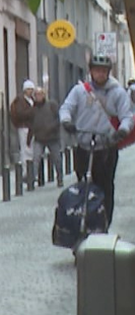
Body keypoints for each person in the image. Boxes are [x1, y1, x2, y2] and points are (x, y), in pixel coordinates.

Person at [60, 56, 135, 227]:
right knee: (83, 186)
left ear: (108, 73)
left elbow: (127, 116)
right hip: (84, 145)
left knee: (105, 187)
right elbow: (67, 107)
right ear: (91, 71)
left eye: (103, 71)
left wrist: (122, 130)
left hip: (106, 146)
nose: (100, 74)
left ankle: (104, 222)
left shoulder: (117, 93)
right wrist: (66, 121)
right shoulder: (80, 91)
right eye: (97, 70)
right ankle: (83, 222)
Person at [29, 86, 62, 187]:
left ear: (44, 95)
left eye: (40, 94)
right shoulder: (33, 109)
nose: (38, 97)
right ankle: (32, 180)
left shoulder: (52, 105)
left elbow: (58, 119)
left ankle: (60, 178)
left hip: (52, 138)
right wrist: (31, 136)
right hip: (39, 138)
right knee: (36, 158)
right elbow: (31, 123)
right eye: (36, 95)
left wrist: (52, 128)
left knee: (57, 159)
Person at [9, 79, 36, 169]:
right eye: (29, 89)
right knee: (25, 149)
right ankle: (25, 170)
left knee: (31, 149)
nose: (30, 91)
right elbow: (20, 113)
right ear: (25, 90)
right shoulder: (20, 100)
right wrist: (32, 112)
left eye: (32, 89)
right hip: (24, 127)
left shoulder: (32, 100)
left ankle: (31, 169)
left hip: (32, 128)